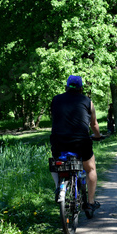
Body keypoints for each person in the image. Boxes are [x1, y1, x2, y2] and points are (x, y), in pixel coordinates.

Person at [50, 75, 102, 214]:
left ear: (66, 86)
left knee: (56, 163)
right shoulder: (87, 101)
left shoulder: (56, 99)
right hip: (80, 141)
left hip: (58, 140)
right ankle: (90, 203)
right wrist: (97, 135)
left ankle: (58, 187)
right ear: (81, 88)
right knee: (90, 169)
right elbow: (94, 124)